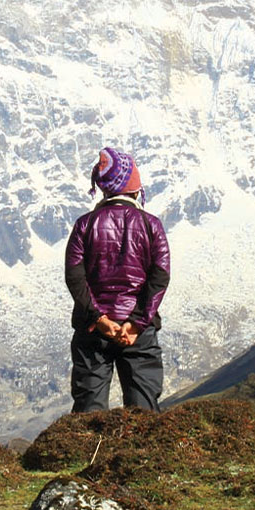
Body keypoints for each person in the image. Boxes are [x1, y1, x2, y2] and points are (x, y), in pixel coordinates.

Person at [65, 147, 170, 413]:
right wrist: (136, 323)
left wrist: (99, 319)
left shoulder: (84, 225)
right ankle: (144, 455)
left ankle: (88, 455)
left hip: (93, 331)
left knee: (89, 411)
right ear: (134, 188)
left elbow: (75, 277)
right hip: (138, 333)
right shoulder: (151, 225)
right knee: (143, 412)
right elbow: (160, 276)